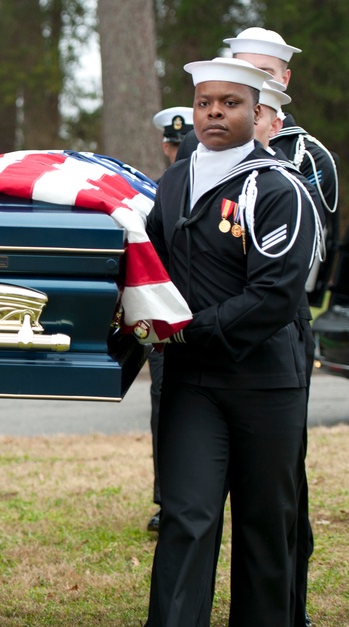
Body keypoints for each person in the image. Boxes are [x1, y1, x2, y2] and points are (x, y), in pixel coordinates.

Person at [134, 57, 318, 627]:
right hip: (191, 384)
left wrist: (188, 332)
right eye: (205, 102)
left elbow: (274, 295)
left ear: (257, 112)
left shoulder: (278, 187)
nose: (214, 113)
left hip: (265, 381)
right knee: (186, 518)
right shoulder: (174, 182)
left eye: (229, 103)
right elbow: (148, 270)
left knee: (268, 524)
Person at [225, 26, 336, 627]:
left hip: (281, 327)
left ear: (284, 81)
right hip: (217, 328)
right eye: (241, 68)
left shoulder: (307, 155)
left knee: (278, 485)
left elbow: (312, 252)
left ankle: (285, 617)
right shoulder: (208, 142)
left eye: (263, 71)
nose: (251, 78)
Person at [144, 106, 194, 535]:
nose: (180, 150)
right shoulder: (154, 193)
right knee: (165, 407)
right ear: (166, 146)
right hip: (167, 319)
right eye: (175, 144)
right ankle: (168, 497)